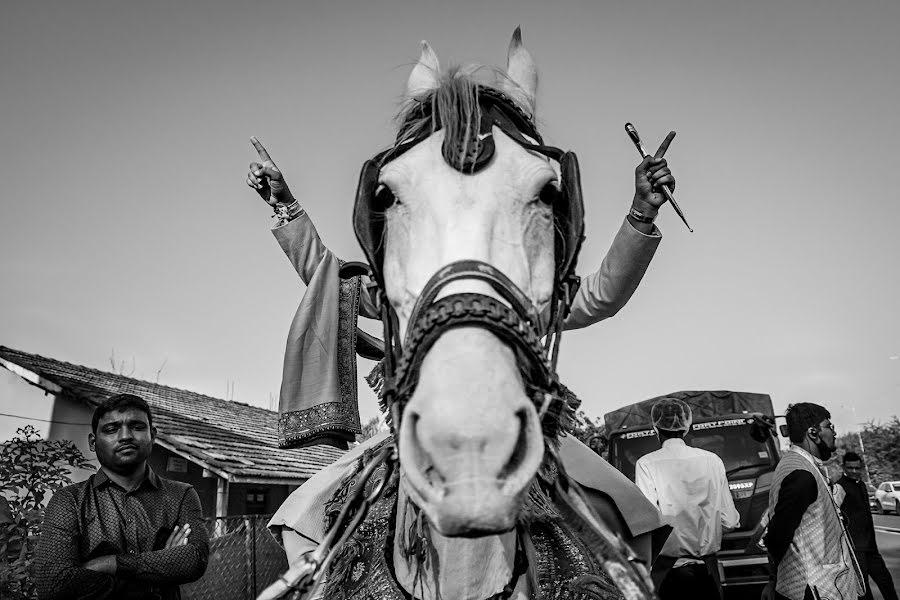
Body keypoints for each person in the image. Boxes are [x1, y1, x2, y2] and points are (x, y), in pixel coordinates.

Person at [246, 130, 677, 567]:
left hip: (522, 422)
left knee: (633, 522)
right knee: (303, 525)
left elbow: (601, 295)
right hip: (415, 427)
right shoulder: (403, 285)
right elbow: (327, 276)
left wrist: (642, 210)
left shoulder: (521, 287)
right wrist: (284, 205)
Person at [33, 394, 209, 600]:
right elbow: (54, 586)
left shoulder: (180, 495)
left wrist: (110, 563)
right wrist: (160, 571)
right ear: (93, 442)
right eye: (111, 429)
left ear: (152, 435)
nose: (125, 436)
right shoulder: (69, 500)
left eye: (137, 426)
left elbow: (195, 559)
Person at [634, 397, 740, 600]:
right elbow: (730, 520)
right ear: (687, 427)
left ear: (656, 428)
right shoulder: (712, 460)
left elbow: (647, 522)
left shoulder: (646, 464)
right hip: (707, 571)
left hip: (667, 572)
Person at [762, 403, 864, 600]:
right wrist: (773, 581)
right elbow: (777, 536)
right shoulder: (802, 474)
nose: (834, 432)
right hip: (814, 590)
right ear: (813, 432)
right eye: (829, 426)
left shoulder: (801, 465)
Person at [833, 451, 898, 600]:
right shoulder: (839, 487)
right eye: (850, 468)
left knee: (886, 582)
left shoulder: (861, 485)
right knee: (863, 591)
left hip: (870, 547)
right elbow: (834, 515)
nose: (854, 471)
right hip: (855, 550)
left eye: (857, 468)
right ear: (844, 467)